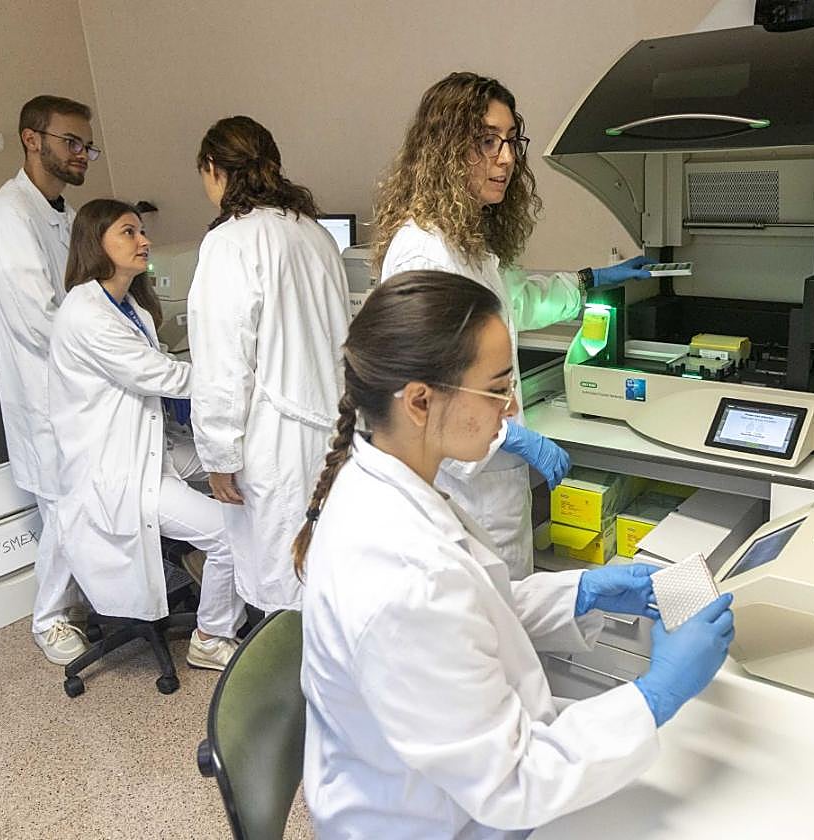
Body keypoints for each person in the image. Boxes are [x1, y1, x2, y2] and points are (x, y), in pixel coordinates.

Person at [298, 270, 735, 838]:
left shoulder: (389, 482)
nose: (509, 408)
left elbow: (467, 613)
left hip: (451, 785)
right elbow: (512, 785)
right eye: (497, 387)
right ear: (421, 402)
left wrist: (579, 591)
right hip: (435, 821)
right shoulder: (400, 577)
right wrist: (656, 697)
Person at [374, 72, 653, 579]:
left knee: (508, 618)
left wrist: (593, 280)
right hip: (460, 489)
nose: (505, 158)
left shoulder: (467, 244)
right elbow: (422, 390)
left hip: (490, 484)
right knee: (484, 629)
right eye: (486, 141)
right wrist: (510, 436)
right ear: (445, 149)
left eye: (509, 141)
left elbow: (513, 304)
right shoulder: (423, 251)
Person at [47, 199, 245, 670]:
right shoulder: (86, 314)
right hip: (120, 471)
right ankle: (210, 635)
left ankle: (225, 579)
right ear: (97, 243)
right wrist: (241, 378)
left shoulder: (129, 305)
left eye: (141, 231)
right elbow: (164, 377)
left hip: (152, 449)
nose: (144, 241)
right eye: (129, 233)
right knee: (230, 535)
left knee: (246, 467)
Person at [188, 116, 351, 612]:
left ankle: (288, 684)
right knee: (326, 569)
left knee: (283, 582)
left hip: (277, 441)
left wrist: (219, 458)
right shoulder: (315, 235)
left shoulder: (230, 242)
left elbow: (223, 365)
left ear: (214, 169)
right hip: (332, 432)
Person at [0, 94, 98, 664]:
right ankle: (49, 619)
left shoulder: (64, 216)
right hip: (46, 394)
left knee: (79, 506)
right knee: (61, 510)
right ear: (32, 139)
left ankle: (83, 603)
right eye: (70, 143)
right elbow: (40, 320)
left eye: (86, 145)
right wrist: (110, 355)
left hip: (77, 390)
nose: (81, 155)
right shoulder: (9, 216)